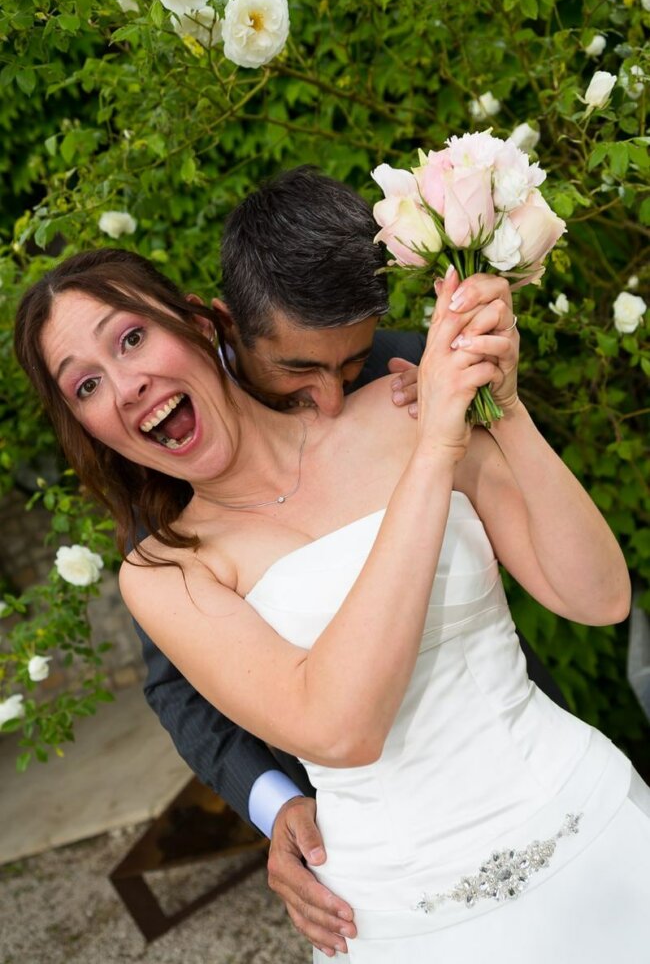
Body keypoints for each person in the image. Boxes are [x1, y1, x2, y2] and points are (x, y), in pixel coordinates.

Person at [15, 247, 650, 963]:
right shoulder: (167, 571)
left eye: (131, 337)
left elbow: (600, 597)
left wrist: (507, 412)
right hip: (406, 916)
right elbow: (341, 729)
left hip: (588, 823)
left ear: (199, 324)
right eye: (87, 385)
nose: (126, 385)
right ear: (87, 428)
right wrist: (434, 452)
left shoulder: (400, 400)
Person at [135, 167, 568, 956]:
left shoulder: (412, 368)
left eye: (348, 364)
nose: (330, 396)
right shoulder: (168, 473)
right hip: (369, 837)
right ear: (227, 326)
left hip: (529, 761)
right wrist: (278, 807)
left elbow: (545, 539)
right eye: (298, 370)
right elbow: (175, 683)